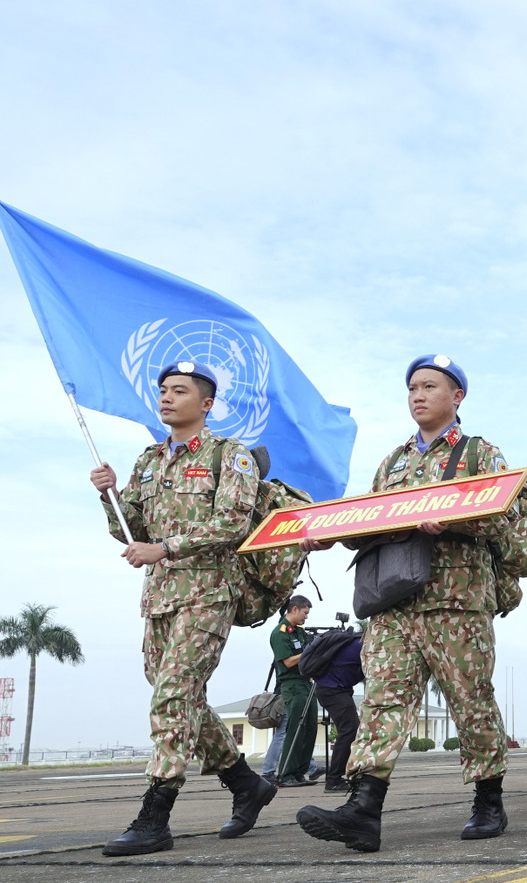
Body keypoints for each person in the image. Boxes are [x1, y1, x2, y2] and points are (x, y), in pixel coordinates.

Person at [295, 354, 527, 851]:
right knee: (384, 701)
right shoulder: (393, 461)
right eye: (412, 387)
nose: (418, 395)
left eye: (430, 386)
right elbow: (371, 520)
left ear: (457, 396)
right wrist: (329, 534)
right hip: (393, 603)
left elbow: (525, 538)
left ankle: (487, 800)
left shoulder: (481, 455)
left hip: (456, 603)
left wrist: (456, 517)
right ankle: (364, 808)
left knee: (470, 702)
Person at [90, 360, 277, 856]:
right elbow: (129, 531)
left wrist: (167, 548)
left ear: (207, 403)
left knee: (173, 695)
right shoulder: (149, 460)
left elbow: (233, 524)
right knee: (184, 699)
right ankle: (244, 784)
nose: (167, 398)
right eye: (163, 390)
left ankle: (155, 815)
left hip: (209, 592)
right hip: (159, 598)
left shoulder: (228, 455)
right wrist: (110, 496)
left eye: (179, 391)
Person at [270, 596, 320, 787]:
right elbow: (288, 661)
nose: (306, 618)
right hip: (292, 684)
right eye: (304, 613)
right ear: (294, 609)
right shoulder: (280, 633)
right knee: (296, 727)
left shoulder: (299, 632)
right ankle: (287, 774)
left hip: (307, 683)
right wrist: (309, 651)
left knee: (309, 729)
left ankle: (300, 771)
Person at [313, 629, 364, 794]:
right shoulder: (363, 646)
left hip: (335, 689)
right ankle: (333, 779)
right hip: (332, 690)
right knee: (349, 730)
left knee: (351, 730)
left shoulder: (358, 642)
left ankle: (342, 775)